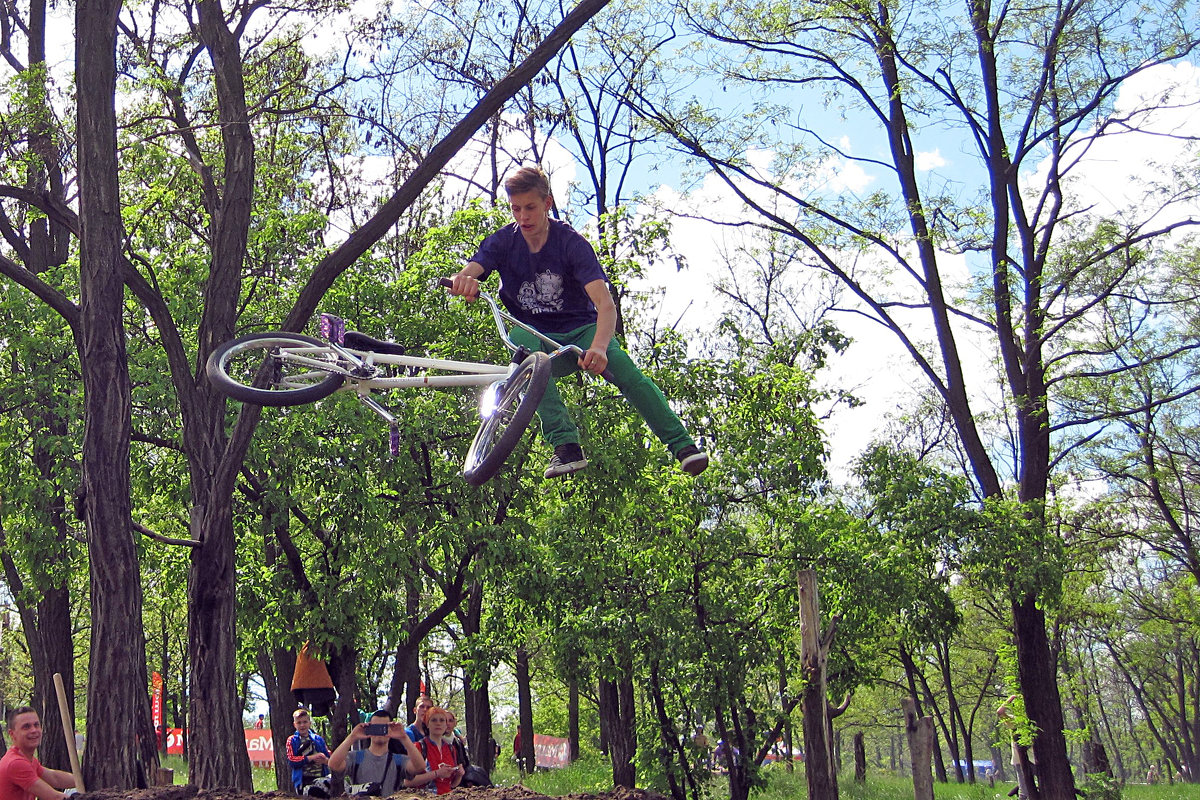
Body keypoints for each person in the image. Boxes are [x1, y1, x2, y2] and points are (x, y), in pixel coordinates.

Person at [449, 166, 709, 479]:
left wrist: (599, 348)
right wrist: (463, 281)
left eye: (530, 207)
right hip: (535, 335)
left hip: (582, 332)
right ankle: (566, 448)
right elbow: (469, 271)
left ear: (547, 203)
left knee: (627, 372)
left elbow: (605, 305)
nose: (523, 217)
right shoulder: (504, 242)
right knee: (528, 353)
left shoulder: (571, 243)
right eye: (515, 209)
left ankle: (683, 446)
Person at [328, 709, 434, 795]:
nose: (380, 732)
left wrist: (403, 737)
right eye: (376, 727)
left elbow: (420, 767)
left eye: (384, 727)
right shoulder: (356, 757)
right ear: (369, 728)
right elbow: (333, 765)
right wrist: (352, 737)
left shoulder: (398, 760)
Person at [0, 707, 79, 800]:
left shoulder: (28, 760)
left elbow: (54, 778)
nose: (34, 730)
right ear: (12, 734)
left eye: (36, 725)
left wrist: (83, 779)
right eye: (26, 727)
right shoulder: (15, 763)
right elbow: (55, 797)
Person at [415, 707, 464, 794]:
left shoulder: (451, 749)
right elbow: (407, 781)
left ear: (446, 725)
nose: (438, 723)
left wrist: (459, 775)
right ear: (427, 724)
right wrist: (437, 773)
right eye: (433, 720)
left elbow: (452, 785)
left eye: (442, 720)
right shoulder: (419, 747)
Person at [286, 708, 331, 795]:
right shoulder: (291, 740)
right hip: (303, 779)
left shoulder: (318, 739)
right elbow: (291, 760)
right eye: (299, 723)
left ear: (309, 723)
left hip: (321, 777)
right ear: (294, 725)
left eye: (305, 722)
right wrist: (310, 758)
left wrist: (325, 760)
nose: (302, 725)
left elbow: (329, 757)